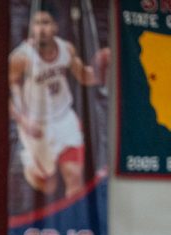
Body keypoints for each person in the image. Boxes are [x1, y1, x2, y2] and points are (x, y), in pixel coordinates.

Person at [9, 2, 109, 198]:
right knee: (48, 183)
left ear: (55, 26)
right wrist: (23, 121)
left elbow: (84, 77)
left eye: (46, 23)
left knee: (74, 178)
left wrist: (101, 68)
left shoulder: (66, 49)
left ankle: (77, 226)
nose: (41, 29)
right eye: (36, 23)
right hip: (36, 124)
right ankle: (30, 166)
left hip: (64, 118)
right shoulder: (21, 58)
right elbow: (6, 93)